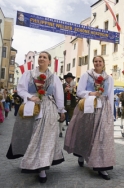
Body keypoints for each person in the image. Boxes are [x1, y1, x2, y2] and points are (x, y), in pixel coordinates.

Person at [6, 51, 65, 183]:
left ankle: (42, 168)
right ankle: (30, 158)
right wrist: (29, 96)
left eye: (45, 57)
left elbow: (59, 95)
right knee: (29, 135)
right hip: (31, 107)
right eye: (40, 57)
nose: (42, 59)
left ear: (49, 61)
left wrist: (61, 111)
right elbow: (21, 89)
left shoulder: (54, 78)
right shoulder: (29, 74)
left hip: (48, 108)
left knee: (44, 137)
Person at [64, 55, 115, 180]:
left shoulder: (109, 78)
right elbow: (80, 92)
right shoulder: (86, 75)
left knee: (102, 136)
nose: (98, 63)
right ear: (93, 63)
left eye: (100, 61)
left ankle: (101, 166)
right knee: (86, 133)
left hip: (103, 108)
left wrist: (112, 114)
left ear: (103, 63)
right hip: (89, 107)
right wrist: (91, 93)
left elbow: (110, 95)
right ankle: (81, 154)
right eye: (95, 61)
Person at [60, 73, 77, 137]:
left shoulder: (74, 85)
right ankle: (60, 131)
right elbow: (59, 94)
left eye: (70, 78)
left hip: (72, 103)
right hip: (64, 103)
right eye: (68, 78)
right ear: (66, 79)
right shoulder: (62, 85)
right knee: (61, 117)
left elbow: (77, 94)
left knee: (72, 118)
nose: (69, 79)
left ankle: (71, 131)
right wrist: (65, 90)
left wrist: (74, 90)